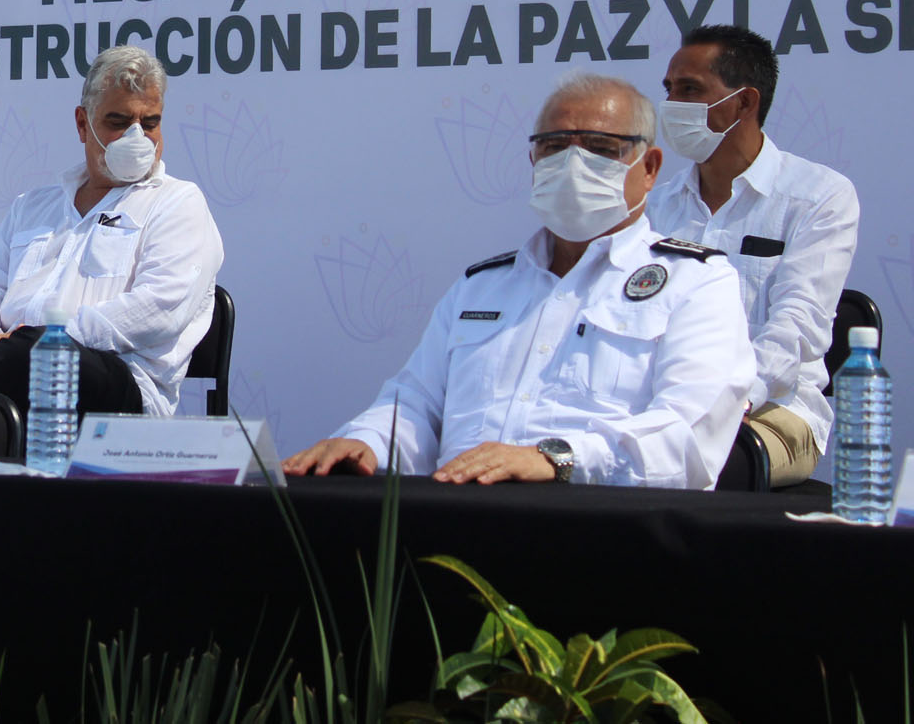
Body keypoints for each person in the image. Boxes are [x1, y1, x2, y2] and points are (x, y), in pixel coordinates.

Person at [283, 72, 752, 489]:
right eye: (554, 146)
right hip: (454, 530)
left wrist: (554, 459)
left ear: (648, 168)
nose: (573, 163)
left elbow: (686, 437)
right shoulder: (480, 287)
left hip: (603, 535)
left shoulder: (696, 284)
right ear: (533, 159)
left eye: (600, 148)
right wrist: (364, 443)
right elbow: (415, 406)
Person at [648, 25, 858, 487]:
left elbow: (797, 327)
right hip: (658, 405)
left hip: (774, 413)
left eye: (690, 89)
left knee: (693, 463)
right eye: (669, 89)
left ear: (744, 102)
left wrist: (724, 402)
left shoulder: (818, 197)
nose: (672, 105)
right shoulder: (653, 206)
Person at [0, 46, 223, 418]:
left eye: (150, 122)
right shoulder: (31, 206)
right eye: (119, 122)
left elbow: (159, 309)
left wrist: (44, 338)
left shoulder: (178, 203)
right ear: (82, 123)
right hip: (12, 366)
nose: (137, 137)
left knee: (42, 355)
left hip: (122, 387)